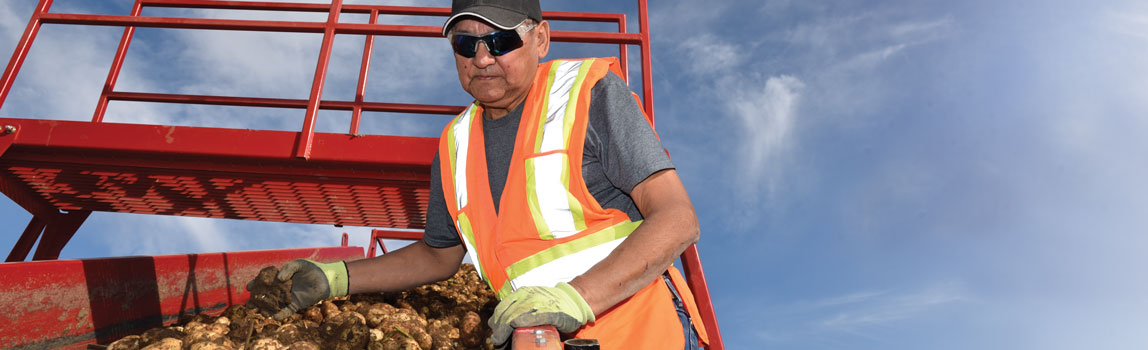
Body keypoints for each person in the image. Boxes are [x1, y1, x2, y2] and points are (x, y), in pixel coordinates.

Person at [263, 0, 709, 348]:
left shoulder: (588, 93)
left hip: (640, 333)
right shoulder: (455, 143)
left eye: (499, 42)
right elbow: (439, 256)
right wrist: (338, 277)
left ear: (540, 39)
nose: (480, 58)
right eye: (464, 44)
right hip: (534, 338)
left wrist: (576, 298)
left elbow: (677, 218)